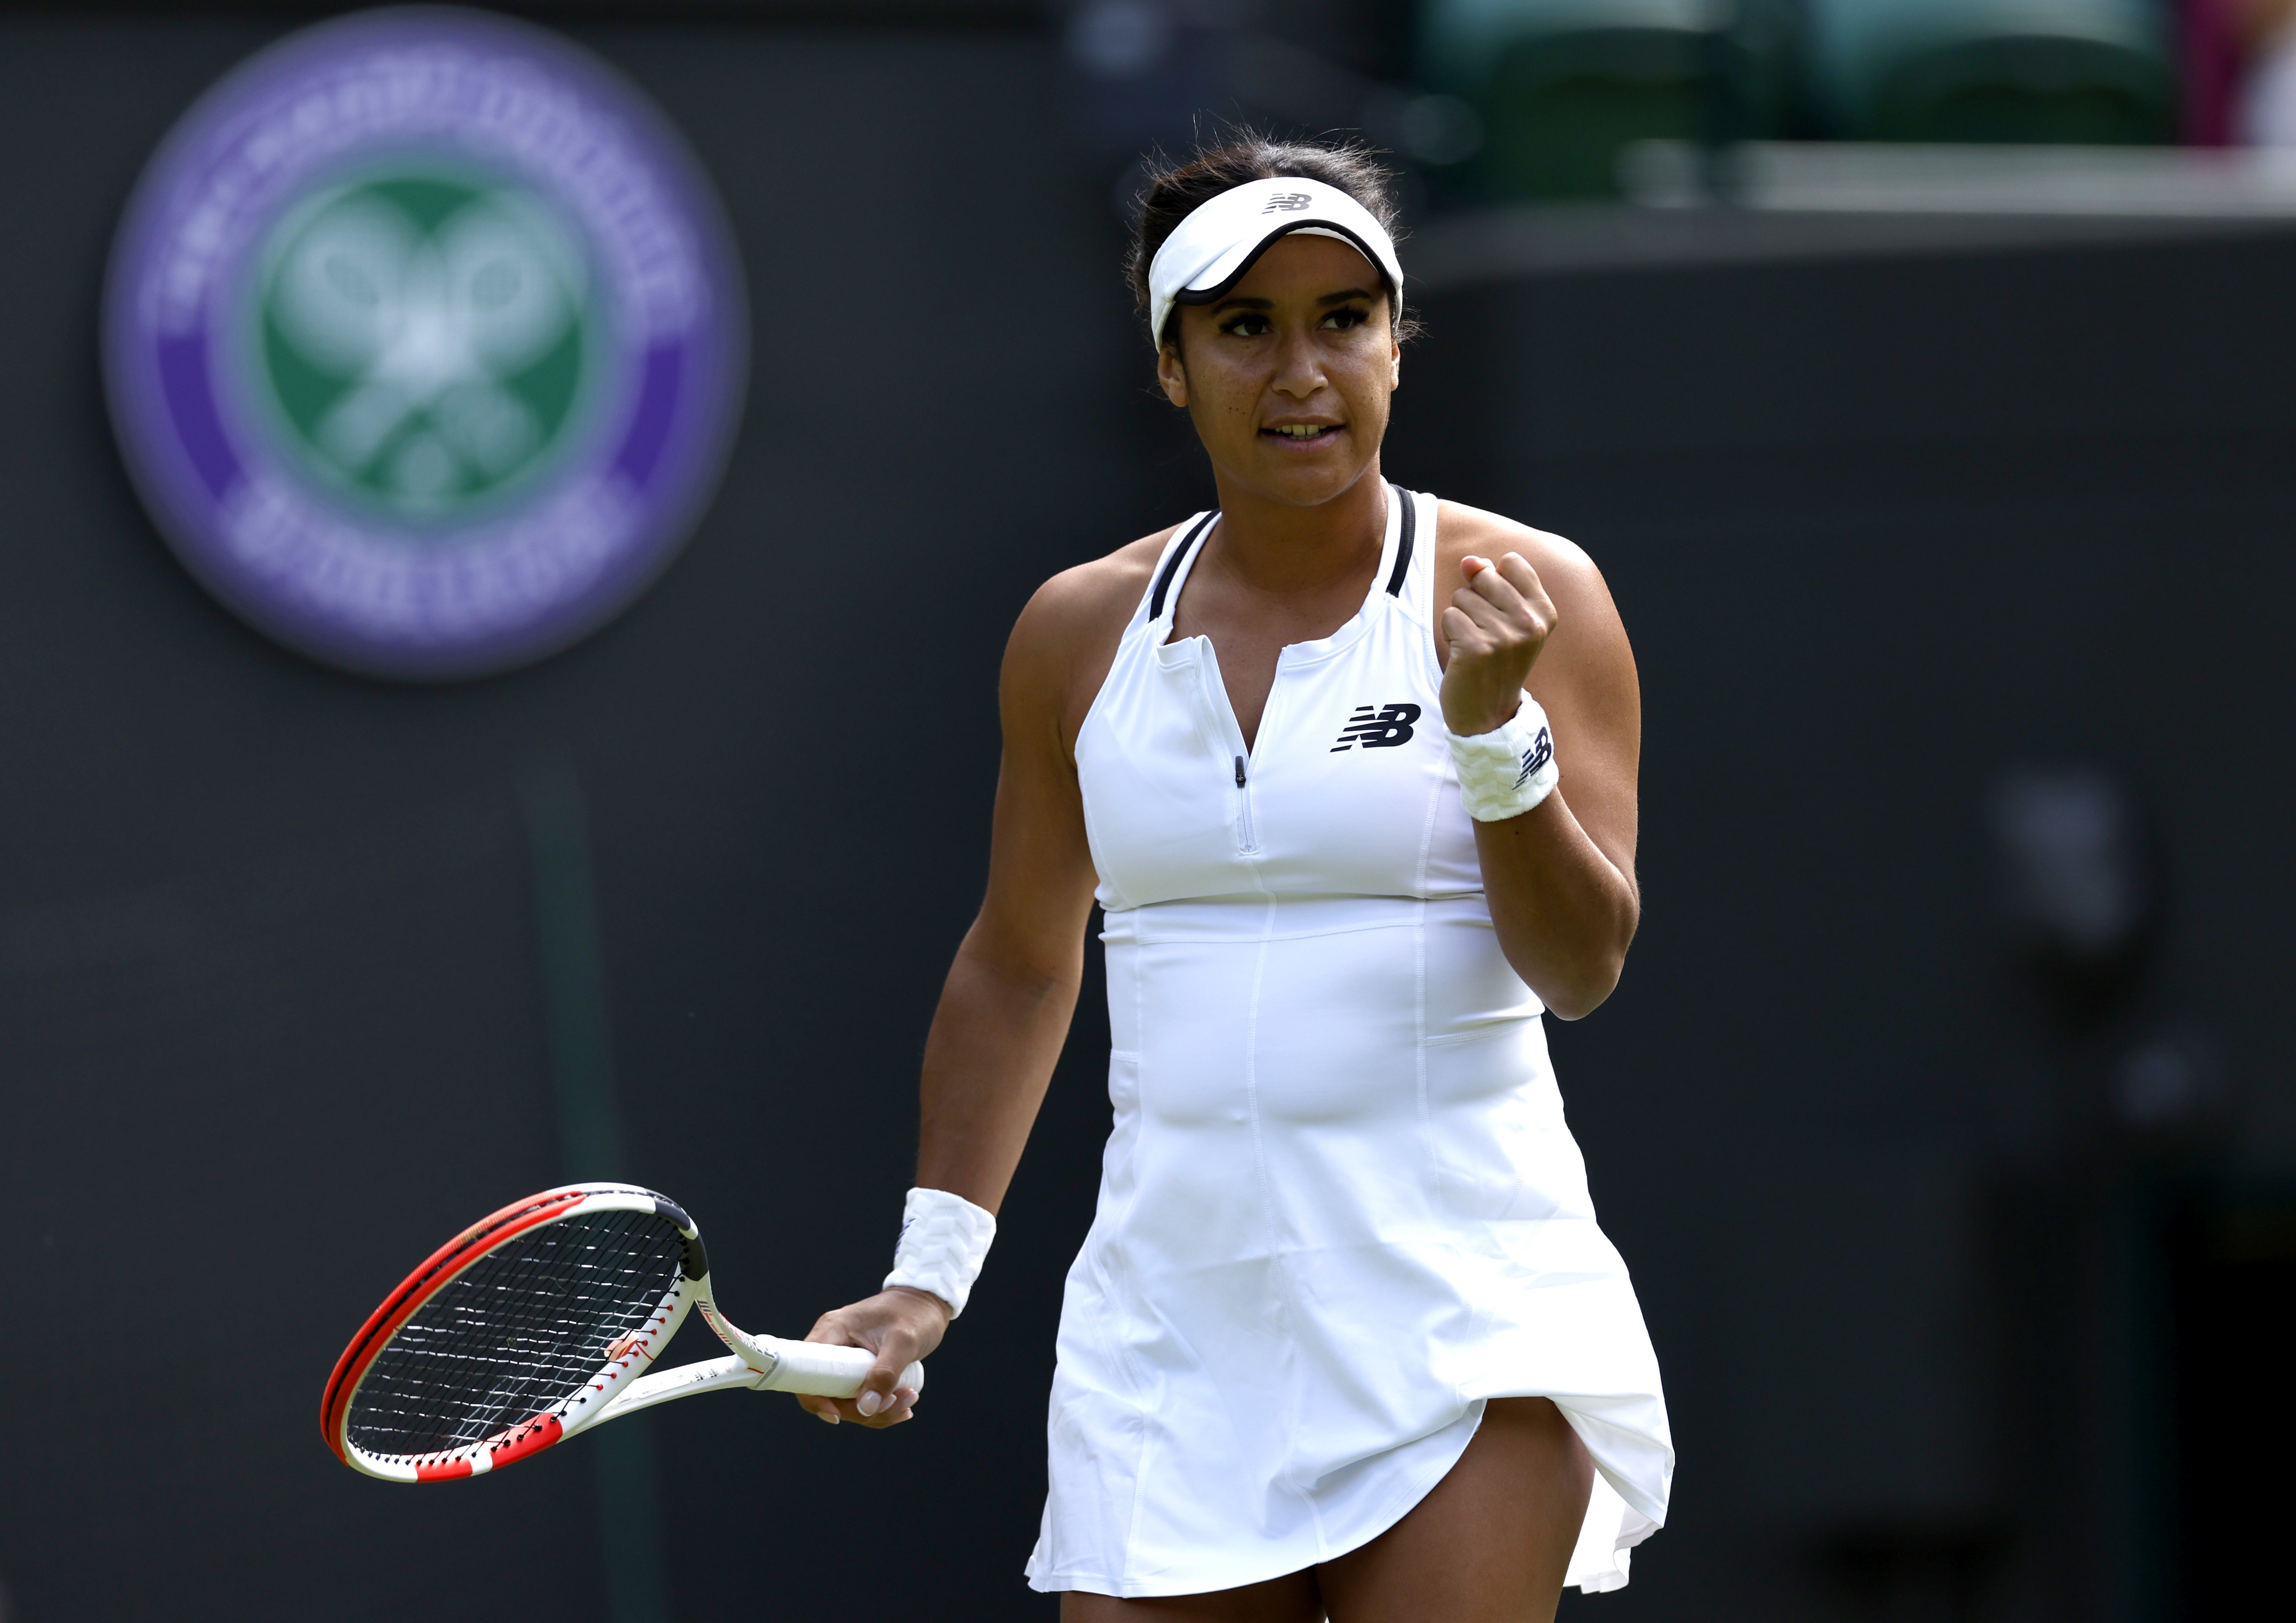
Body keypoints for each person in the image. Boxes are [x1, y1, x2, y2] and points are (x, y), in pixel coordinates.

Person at [797, 134, 1673, 1620]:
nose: (1302, 372)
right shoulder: (1077, 635)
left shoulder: (1533, 597)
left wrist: (1491, 736)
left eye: (1344, 318)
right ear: (1171, 362)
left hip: (1467, 1320)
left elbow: (1583, 968)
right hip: (1172, 1340)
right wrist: (926, 1275)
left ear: (1399, 342)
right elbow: (1020, 958)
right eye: (1244, 327)